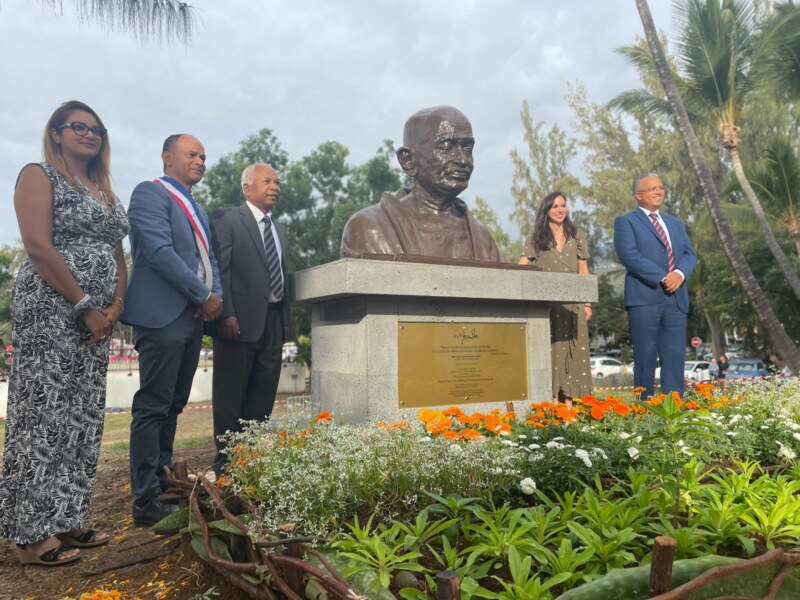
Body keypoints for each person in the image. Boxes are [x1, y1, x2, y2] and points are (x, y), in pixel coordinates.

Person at [0, 101, 128, 566]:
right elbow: (38, 246)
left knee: (82, 418)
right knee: (43, 419)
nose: (89, 134)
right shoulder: (38, 174)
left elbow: (117, 255)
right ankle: (31, 533)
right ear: (56, 133)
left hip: (98, 320)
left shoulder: (103, 190)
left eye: (96, 128)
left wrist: (115, 305)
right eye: (78, 127)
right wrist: (84, 304)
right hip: (53, 312)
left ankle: (67, 516)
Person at [121, 134, 222, 526]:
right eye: (191, 154)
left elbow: (208, 258)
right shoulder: (150, 193)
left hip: (193, 315)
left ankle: (163, 482)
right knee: (153, 405)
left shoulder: (197, 207)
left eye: (203, 155)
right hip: (162, 315)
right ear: (167, 157)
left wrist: (214, 296)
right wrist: (202, 293)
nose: (200, 160)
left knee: (174, 402)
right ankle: (145, 498)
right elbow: (160, 253)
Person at [208, 163, 293, 476]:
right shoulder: (228, 219)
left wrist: (286, 324)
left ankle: (253, 456)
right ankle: (226, 462)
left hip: (273, 320)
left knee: (263, 391)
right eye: (267, 181)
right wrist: (226, 313)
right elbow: (222, 269)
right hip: (237, 322)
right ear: (247, 188)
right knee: (231, 393)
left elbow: (283, 275)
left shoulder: (279, 228)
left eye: (277, 181)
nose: (275, 186)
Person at [340, 106, 501, 261]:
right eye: (446, 147)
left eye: (467, 148)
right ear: (408, 160)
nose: (462, 160)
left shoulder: (482, 240)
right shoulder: (370, 229)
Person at [614, 173, 697, 399]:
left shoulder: (676, 224)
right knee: (645, 358)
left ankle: (673, 410)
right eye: (652, 189)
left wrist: (679, 274)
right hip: (645, 298)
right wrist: (663, 277)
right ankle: (645, 410)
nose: (659, 191)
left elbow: (690, 253)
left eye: (661, 187)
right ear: (637, 195)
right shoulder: (626, 222)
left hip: (676, 299)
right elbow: (629, 255)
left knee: (674, 357)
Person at [519, 192, 592, 407]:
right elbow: (523, 265)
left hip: (574, 302)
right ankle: (551, 401)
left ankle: (569, 402)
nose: (560, 210)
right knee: (551, 350)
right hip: (547, 303)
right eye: (555, 206)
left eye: (563, 205)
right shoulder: (537, 236)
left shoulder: (577, 234)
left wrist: (587, 303)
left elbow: (583, 269)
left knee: (574, 349)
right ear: (547, 211)